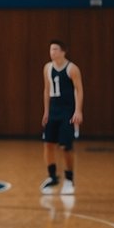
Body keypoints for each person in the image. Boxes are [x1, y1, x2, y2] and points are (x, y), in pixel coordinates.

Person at [39, 39, 84, 195]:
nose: (52, 52)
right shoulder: (47, 68)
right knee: (48, 144)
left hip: (67, 111)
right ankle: (52, 177)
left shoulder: (72, 69)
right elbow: (46, 90)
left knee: (65, 146)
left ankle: (69, 179)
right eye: (51, 49)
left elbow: (79, 90)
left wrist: (78, 111)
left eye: (55, 49)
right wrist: (46, 111)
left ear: (63, 51)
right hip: (53, 110)